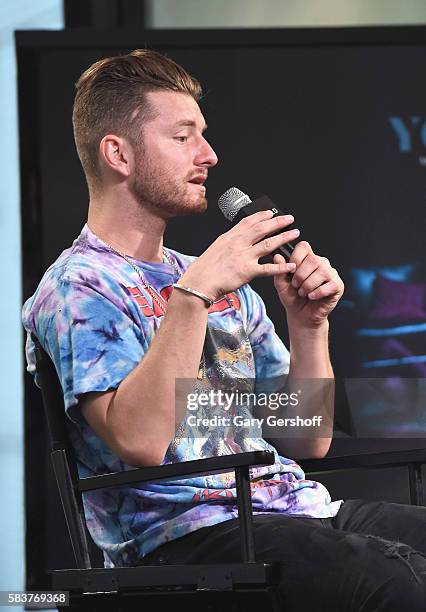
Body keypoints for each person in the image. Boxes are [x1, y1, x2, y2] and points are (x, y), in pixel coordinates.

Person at [22, 49, 426, 610]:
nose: (208, 155)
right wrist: (191, 297)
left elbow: (305, 439)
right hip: (182, 535)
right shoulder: (79, 288)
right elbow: (139, 442)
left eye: (203, 136)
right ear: (118, 153)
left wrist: (308, 325)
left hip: (292, 507)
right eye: (183, 137)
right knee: (392, 582)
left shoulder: (214, 278)